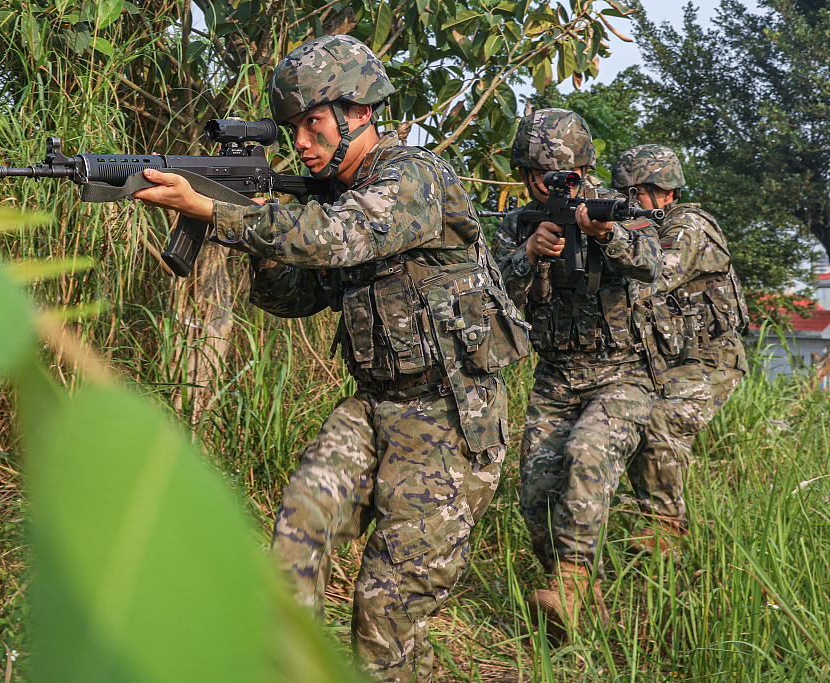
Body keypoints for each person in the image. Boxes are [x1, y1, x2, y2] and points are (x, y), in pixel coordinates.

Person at [134, 35, 529, 682]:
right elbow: (296, 295)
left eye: (313, 124)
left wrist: (220, 210)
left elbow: (345, 237)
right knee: (295, 533)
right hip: (373, 405)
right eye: (292, 130)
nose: (302, 144)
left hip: (453, 417)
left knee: (385, 611)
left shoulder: (414, 178)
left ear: (359, 112)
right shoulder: (328, 198)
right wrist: (251, 235)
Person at [491, 108, 662, 642]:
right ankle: (585, 609)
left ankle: (569, 583)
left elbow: (651, 264)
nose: (552, 184)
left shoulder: (619, 209)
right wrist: (527, 255)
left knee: (587, 452)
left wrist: (607, 235)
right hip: (555, 378)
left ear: (585, 168)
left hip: (622, 375)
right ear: (524, 175)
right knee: (538, 497)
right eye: (540, 174)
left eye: (563, 174)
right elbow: (493, 300)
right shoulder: (519, 225)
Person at [613, 145, 749, 556]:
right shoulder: (643, 227)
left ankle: (665, 534)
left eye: (638, 192)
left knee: (661, 421)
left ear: (666, 193)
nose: (629, 201)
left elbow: (654, 277)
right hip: (666, 358)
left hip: (712, 359)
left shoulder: (688, 225)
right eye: (625, 193)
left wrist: (611, 239)